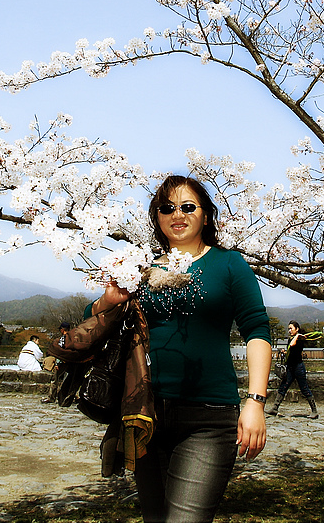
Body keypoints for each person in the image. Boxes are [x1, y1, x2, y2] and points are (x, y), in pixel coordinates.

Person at [87, 174, 272, 523]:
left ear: (206, 215)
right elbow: (95, 321)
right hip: (146, 414)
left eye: (188, 206)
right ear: (157, 217)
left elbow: (257, 330)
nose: (178, 214)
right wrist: (106, 301)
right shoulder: (141, 269)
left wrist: (256, 401)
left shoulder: (229, 265)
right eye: (166, 208)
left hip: (210, 419)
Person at [266, 321, 319, 419]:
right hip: (290, 367)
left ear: (297, 328)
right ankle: (275, 408)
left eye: (291, 328)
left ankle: (314, 411)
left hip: (298, 367)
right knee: (283, 387)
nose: (289, 331)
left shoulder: (299, 338)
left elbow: (293, 346)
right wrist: (285, 352)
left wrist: (296, 338)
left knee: (304, 388)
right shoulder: (292, 338)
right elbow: (292, 352)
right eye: (288, 329)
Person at [42, 322, 73, 403]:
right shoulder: (73, 338)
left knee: (54, 380)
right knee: (70, 380)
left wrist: (57, 363)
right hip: (72, 361)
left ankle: (51, 397)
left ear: (62, 330)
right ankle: (73, 397)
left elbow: (60, 352)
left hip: (62, 361)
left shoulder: (63, 339)